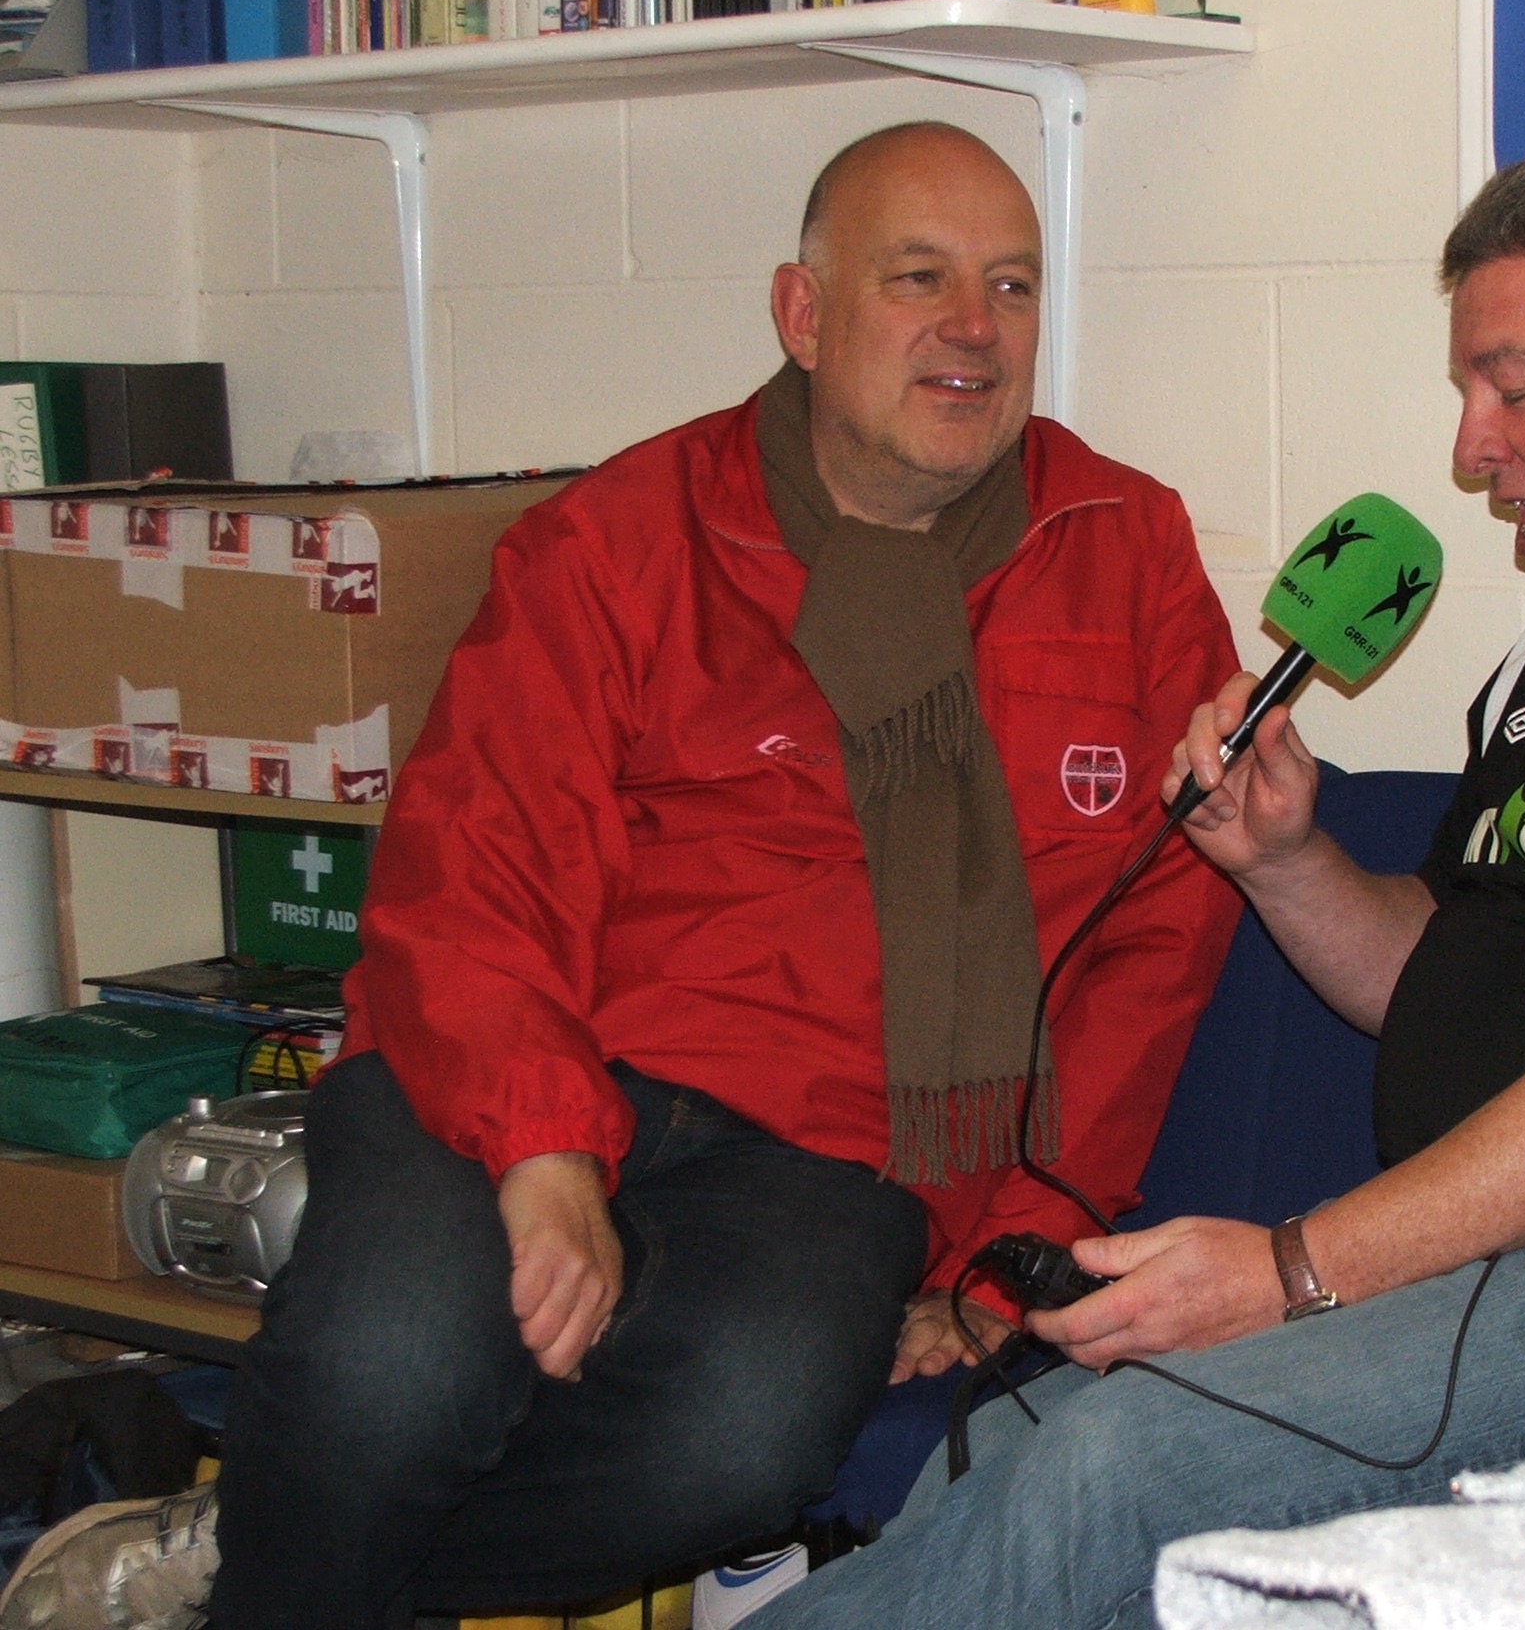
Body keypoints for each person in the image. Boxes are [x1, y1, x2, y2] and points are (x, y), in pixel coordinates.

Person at [741, 141, 1525, 1630]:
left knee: (1114, 1468)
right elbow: (1441, 971)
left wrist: (1290, 1273)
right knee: (1007, 1443)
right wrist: (1286, 863)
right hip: (1491, 1259)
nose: (1471, 451)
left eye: (1511, 389)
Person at [0, 122, 1240, 1630]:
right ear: (803, 313)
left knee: (740, 1444)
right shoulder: (619, 539)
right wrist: (543, 1150)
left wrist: (1008, 1257)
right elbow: (476, 868)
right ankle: (300, 1543)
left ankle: (253, 1556)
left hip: (832, 1152)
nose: (973, 328)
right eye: (919, 278)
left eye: (1012, 286)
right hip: (537, 1058)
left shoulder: (1123, 550)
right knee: (391, 1367)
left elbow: (1155, 942)